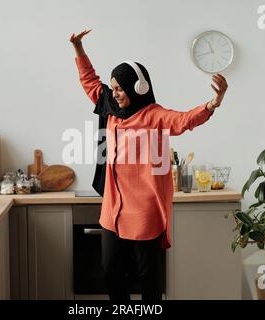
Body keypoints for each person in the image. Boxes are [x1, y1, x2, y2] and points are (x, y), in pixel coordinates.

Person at [70, 29, 228, 301]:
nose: (115, 93)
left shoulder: (153, 115)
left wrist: (214, 102)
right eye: (114, 87)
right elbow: (90, 82)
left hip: (144, 208)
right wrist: (79, 48)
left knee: (148, 275)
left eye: (119, 88)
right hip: (113, 206)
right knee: (110, 268)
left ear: (138, 87)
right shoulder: (110, 105)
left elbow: (184, 120)